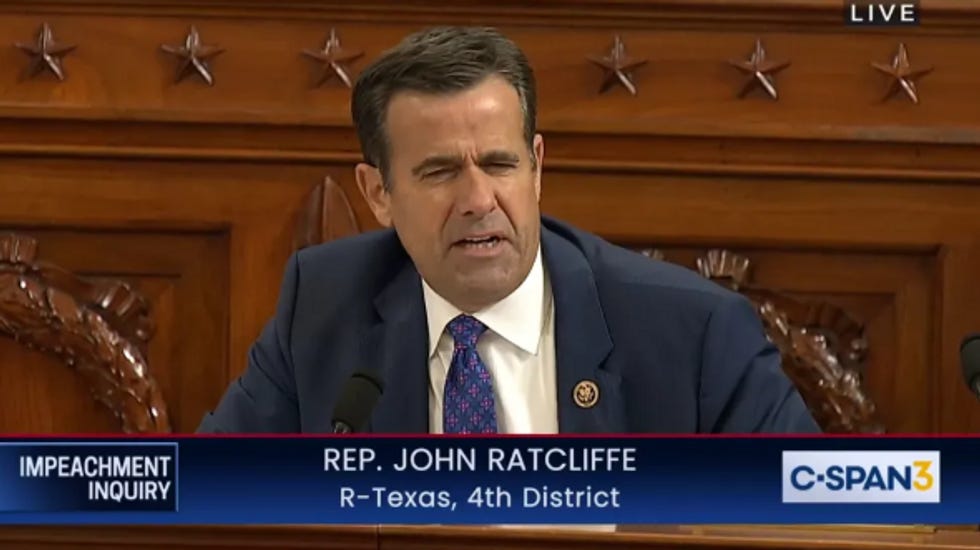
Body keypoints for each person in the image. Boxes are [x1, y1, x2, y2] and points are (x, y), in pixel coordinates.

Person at [198, 26, 820, 434]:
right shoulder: (324, 308)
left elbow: (814, 509)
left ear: (537, 167)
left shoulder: (692, 333)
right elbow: (211, 492)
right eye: (440, 172)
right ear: (378, 193)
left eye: (499, 165)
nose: (478, 200)